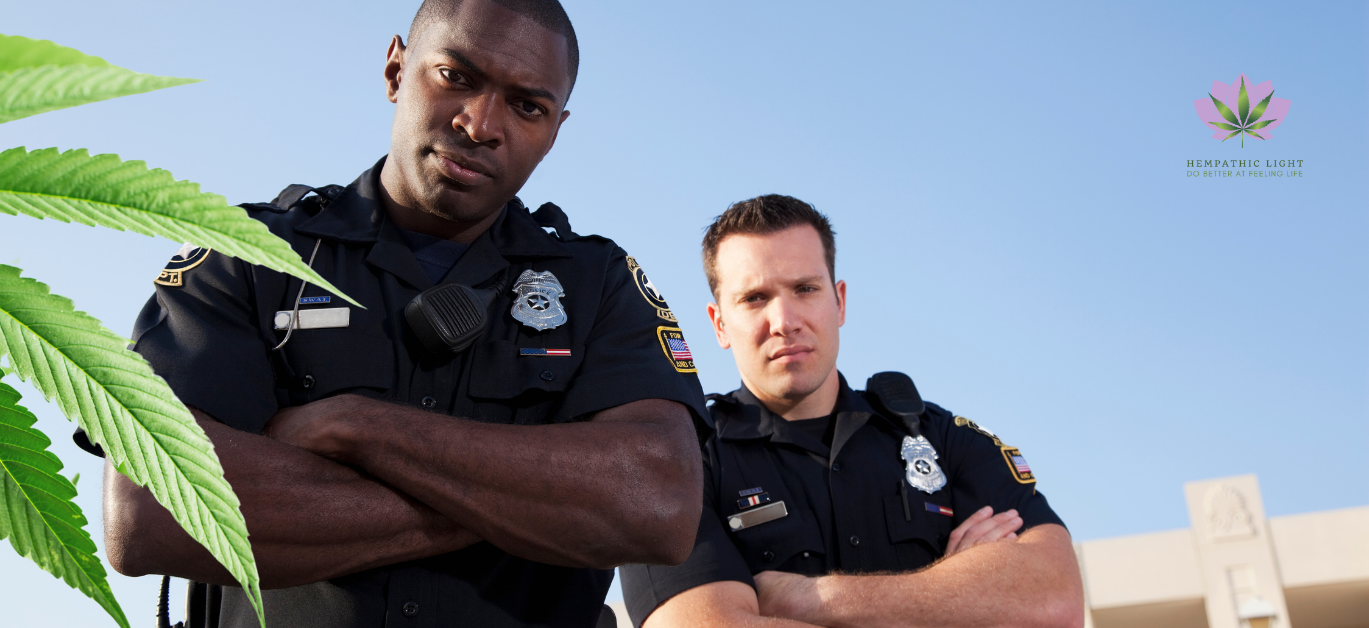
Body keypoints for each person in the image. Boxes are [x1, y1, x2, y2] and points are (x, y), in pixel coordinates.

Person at [88, 1, 709, 626]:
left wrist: (359, 428)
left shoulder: (598, 284)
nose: (481, 123)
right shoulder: (248, 253)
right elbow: (151, 510)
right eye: (456, 76)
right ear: (395, 70)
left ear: (554, 130)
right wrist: (535, 503)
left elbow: (659, 504)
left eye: (527, 106)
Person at [620, 195, 1084, 628]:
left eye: (805, 288)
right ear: (720, 323)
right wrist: (957, 593)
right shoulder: (678, 462)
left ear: (839, 301)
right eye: (755, 298)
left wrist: (806, 599)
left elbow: (1054, 600)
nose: (784, 321)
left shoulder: (944, 441)